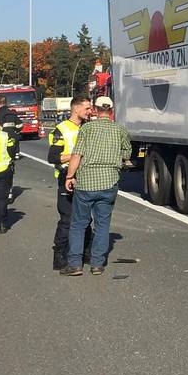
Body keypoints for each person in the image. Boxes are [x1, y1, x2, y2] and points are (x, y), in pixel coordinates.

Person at [61, 107, 131, 276]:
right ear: (112, 111)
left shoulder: (86, 128)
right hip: (109, 182)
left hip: (86, 183)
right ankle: (97, 264)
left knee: (78, 224)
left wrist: (70, 176)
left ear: (96, 111)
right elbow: (127, 153)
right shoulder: (119, 129)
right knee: (102, 225)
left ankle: (75, 264)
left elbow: (77, 155)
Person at [47, 96, 91, 270]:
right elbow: (52, 157)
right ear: (76, 109)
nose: (90, 111)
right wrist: (76, 155)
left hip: (86, 178)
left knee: (87, 219)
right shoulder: (61, 129)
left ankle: (86, 253)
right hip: (67, 178)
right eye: (87, 108)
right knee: (67, 219)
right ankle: (60, 255)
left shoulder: (88, 127)